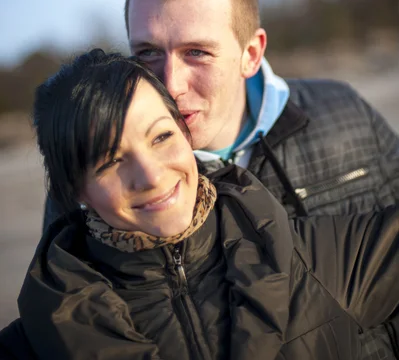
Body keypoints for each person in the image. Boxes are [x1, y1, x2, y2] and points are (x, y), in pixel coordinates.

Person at [43, 0, 399, 358]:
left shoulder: (343, 114)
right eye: (148, 53)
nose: (170, 84)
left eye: (197, 52)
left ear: (251, 53)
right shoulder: (96, 182)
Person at [1, 50, 398, 360]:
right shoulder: (41, 337)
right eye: (111, 161)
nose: (152, 176)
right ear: (77, 191)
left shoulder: (309, 258)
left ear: (186, 136)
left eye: (160, 138)